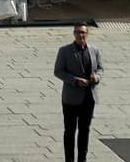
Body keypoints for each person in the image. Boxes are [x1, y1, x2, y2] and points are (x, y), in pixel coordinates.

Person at [53, 23, 102, 162]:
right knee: (70, 131)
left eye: (83, 32)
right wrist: (75, 80)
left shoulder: (94, 51)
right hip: (71, 99)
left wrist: (97, 77)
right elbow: (58, 71)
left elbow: (100, 68)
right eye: (78, 32)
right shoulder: (64, 51)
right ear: (74, 33)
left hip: (89, 97)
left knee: (85, 130)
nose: (81, 35)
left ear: (88, 34)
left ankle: (82, 159)